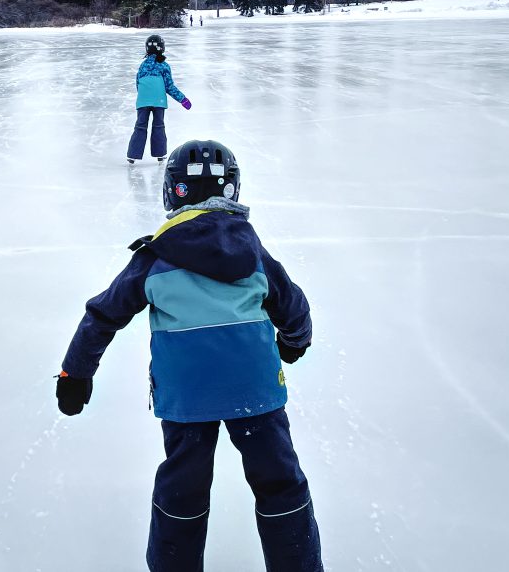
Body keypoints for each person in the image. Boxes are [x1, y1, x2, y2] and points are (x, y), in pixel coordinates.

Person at [56, 140, 323, 572]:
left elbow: (104, 314)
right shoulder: (252, 252)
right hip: (253, 390)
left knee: (183, 488)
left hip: (188, 397)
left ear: (172, 191)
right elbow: (292, 304)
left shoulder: (154, 258)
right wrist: (294, 342)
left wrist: (76, 373)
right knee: (279, 484)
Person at [126, 35, 192, 164]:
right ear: (162, 48)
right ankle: (160, 154)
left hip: (143, 101)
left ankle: (132, 155)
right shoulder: (164, 65)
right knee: (158, 126)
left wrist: (144, 96)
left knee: (140, 126)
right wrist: (183, 100)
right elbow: (169, 86)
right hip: (158, 101)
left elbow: (138, 83)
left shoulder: (143, 65)